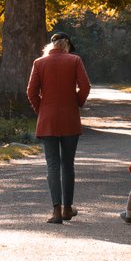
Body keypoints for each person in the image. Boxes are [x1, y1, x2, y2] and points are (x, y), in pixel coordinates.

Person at [27, 32, 90, 223]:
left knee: (52, 165)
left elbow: (31, 91)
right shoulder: (75, 60)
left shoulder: (39, 62)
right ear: (67, 46)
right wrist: (76, 102)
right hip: (69, 118)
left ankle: (56, 211)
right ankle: (68, 208)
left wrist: (42, 110)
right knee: (67, 164)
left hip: (48, 120)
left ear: (51, 45)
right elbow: (85, 86)